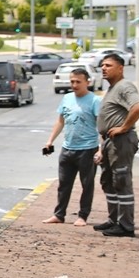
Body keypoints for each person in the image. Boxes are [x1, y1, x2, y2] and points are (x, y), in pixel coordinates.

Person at [41, 67, 100, 226]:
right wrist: (50, 140)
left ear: (87, 82)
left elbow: (101, 126)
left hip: (87, 149)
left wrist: (101, 149)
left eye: (78, 82)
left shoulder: (94, 101)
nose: (74, 85)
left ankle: (83, 215)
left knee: (87, 184)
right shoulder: (67, 98)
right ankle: (59, 215)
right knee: (63, 184)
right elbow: (60, 121)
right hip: (67, 149)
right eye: (72, 81)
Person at [93, 52, 139, 237]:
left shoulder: (124, 86)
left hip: (121, 141)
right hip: (109, 142)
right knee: (109, 182)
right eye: (102, 65)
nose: (104, 68)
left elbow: (138, 106)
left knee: (121, 181)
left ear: (120, 68)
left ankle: (126, 226)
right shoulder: (113, 88)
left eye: (108, 65)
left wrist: (123, 127)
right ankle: (114, 220)